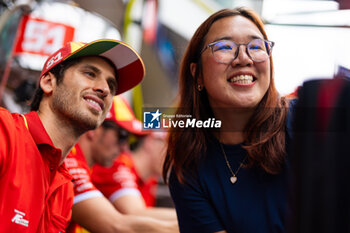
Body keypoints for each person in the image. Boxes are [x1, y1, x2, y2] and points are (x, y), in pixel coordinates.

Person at [162, 7, 292, 233]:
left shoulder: (307, 125)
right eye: (224, 47)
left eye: (256, 47)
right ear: (197, 73)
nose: (244, 58)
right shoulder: (189, 169)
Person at [0, 39, 145, 233]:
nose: (105, 89)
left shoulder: (64, 188)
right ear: (48, 82)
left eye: (112, 85)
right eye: (90, 73)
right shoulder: (5, 130)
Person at [65, 95, 179, 233]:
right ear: (95, 127)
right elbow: (119, 223)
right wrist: (201, 222)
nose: (125, 148)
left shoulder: (149, 180)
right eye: (122, 135)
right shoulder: (73, 160)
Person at [91, 96, 177, 222]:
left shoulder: (150, 180)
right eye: (172, 149)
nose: (176, 158)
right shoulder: (117, 163)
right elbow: (136, 213)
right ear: (150, 142)